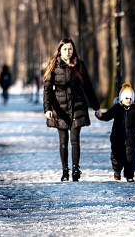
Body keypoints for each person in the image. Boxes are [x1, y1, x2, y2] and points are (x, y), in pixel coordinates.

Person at [42, 38, 98, 182]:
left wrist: (96, 107)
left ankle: (75, 169)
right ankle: (65, 171)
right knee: (63, 141)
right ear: (60, 50)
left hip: (77, 107)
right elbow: (47, 89)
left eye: (70, 49)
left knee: (75, 140)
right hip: (59, 108)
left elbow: (88, 87)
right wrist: (47, 109)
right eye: (65, 49)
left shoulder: (79, 65)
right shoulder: (53, 65)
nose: (68, 52)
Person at [96, 82, 135, 182]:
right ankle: (117, 171)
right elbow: (108, 116)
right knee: (117, 157)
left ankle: (129, 176)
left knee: (130, 158)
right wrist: (101, 116)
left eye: (131, 98)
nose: (129, 100)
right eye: (127, 98)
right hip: (117, 139)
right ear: (121, 98)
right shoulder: (117, 109)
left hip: (130, 140)